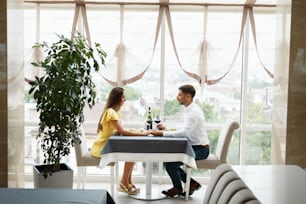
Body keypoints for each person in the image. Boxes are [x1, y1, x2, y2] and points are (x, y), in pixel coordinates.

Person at [90, 87, 152, 195]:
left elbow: (118, 132)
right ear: (117, 98)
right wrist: (143, 133)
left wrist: (133, 132)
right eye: (123, 97)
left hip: (109, 145)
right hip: (102, 148)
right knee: (132, 153)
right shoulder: (111, 112)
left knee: (133, 152)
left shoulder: (115, 112)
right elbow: (122, 131)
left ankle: (127, 182)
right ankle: (124, 182)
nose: (125, 99)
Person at [152, 84, 210, 197]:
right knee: (169, 161)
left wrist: (163, 134)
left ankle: (178, 188)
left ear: (188, 97)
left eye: (179, 95)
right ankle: (191, 184)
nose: (177, 97)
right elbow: (183, 128)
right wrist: (166, 128)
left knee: (170, 163)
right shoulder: (190, 110)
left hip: (201, 149)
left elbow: (185, 133)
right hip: (193, 146)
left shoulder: (194, 113)